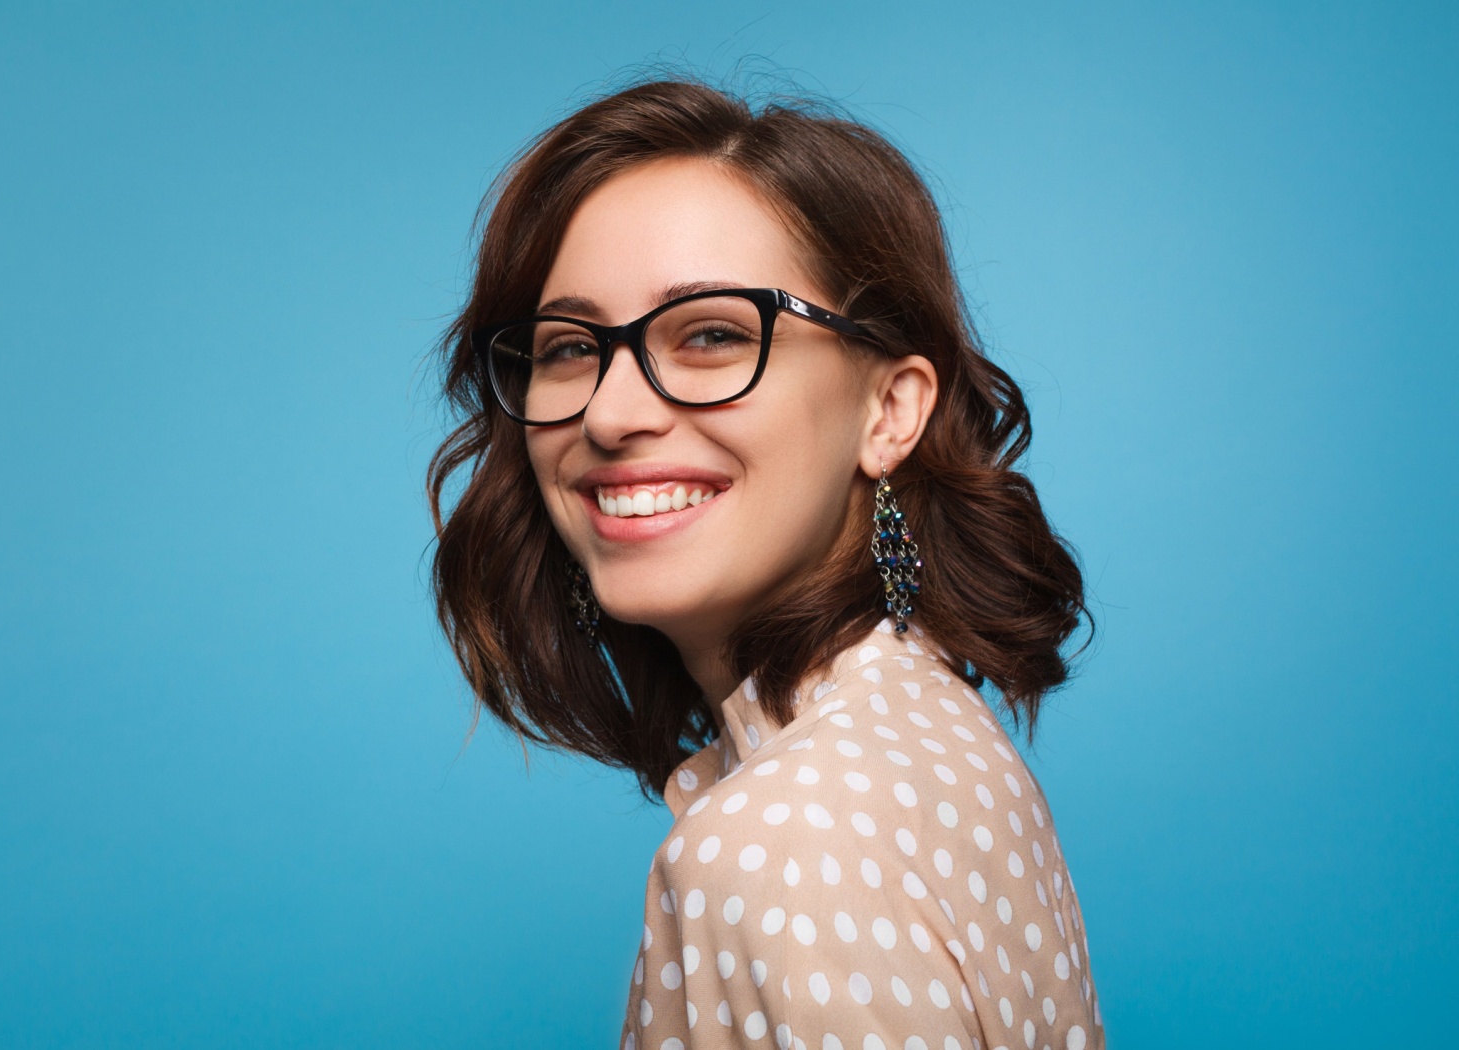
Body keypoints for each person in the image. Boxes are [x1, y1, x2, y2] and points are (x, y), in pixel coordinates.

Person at [427, 76, 1105, 1050]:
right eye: (570, 347)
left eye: (710, 334)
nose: (611, 414)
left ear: (890, 410)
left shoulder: (779, 843)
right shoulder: (926, 733)